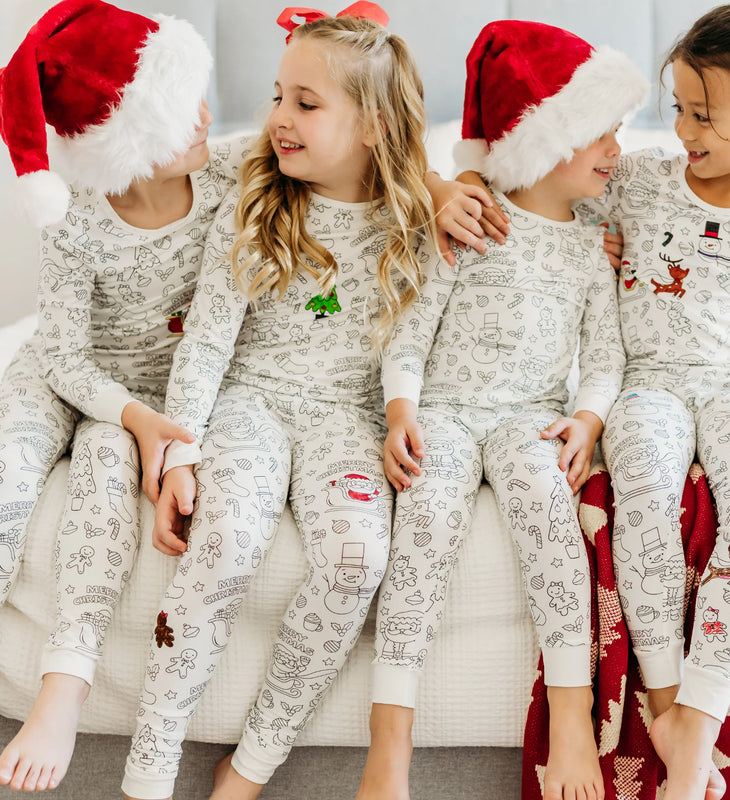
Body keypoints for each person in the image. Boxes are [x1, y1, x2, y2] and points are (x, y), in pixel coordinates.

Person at [120, 6, 443, 799]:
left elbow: (411, 340)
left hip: (350, 417)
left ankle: (251, 765)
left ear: (373, 125)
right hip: (251, 401)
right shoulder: (253, 185)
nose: (278, 120)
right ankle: (151, 763)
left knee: (359, 556)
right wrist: (181, 452)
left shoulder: (417, 220)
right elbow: (207, 337)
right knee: (226, 537)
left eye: (305, 103)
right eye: (276, 96)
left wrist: (445, 184)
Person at [356, 20, 647, 800]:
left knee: (553, 521)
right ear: (541, 140)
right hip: (446, 412)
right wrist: (399, 411)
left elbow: (607, 354)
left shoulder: (595, 243)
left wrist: (587, 419)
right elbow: (409, 329)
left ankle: (573, 720)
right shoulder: (471, 216)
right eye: (601, 134)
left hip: (532, 417)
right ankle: (391, 742)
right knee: (422, 526)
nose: (618, 150)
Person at [0, 0, 247, 791]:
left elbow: (357, 136)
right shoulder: (73, 221)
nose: (208, 115)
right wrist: (136, 417)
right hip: (72, 378)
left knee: (104, 478)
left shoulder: (228, 182)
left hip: (153, 398)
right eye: (181, 110)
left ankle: (61, 689)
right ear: (128, 142)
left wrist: (145, 428)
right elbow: (65, 355)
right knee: (6, 476)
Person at [587, 2, 730, 798]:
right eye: (677, 108)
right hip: (651, 379)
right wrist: (461, 180)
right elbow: (547, 203)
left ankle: (700, 714)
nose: (683, 130)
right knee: (639, 477)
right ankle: (666, 695)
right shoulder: (639, 180)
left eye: (704, 115)